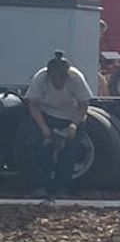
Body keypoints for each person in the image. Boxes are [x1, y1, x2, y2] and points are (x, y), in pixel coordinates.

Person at [23, 51, 95, 197]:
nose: (58, 81)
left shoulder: (76, 78)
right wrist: (44, 128)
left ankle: (62, 188)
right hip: (45, 115)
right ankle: (41, 185)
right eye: (54, 78)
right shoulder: (40, 78)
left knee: (69, 152)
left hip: (70, 116)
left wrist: (74, 124)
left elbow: (83, 103)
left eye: (61, 78)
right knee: (40, 149)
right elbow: (32, 104)